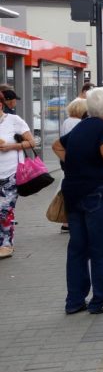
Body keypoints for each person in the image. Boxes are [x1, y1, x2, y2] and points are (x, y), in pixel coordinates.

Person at [51, 87, 103, 312]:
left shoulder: (80, 126)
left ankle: (74, 301)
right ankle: (101, 299)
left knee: (77, 248)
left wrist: (75, 163)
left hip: (73, 192)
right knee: (102, 249)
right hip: (99, 192)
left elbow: (57, 145)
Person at [0, 105, 35, 260]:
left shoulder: (14, 121)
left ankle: (6, 244)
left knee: (4, 210)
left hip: (11, 173)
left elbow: (31, 142)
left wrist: (10, 146)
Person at [59, 98, 89, 234]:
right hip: (78, 158)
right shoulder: (79, 123)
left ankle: (66, 222)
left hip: (66, 157)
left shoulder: (66, 121)